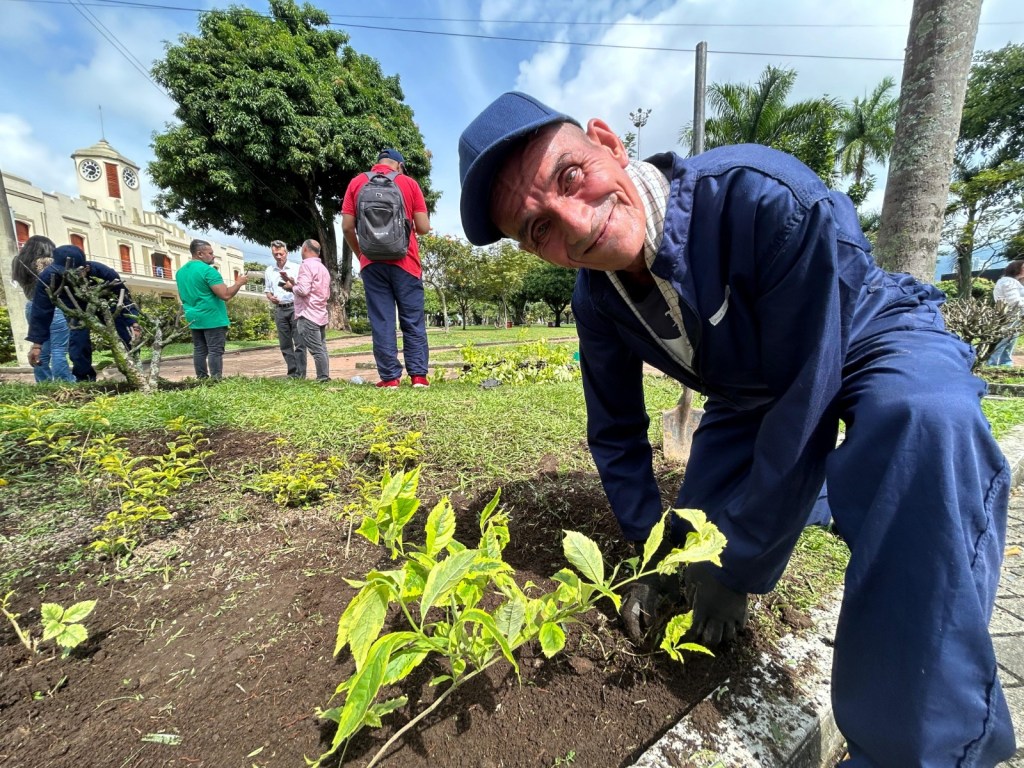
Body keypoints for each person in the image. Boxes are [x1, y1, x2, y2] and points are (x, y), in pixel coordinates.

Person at [458, 92, 1014, 767]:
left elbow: (805, 403)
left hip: (865, 330)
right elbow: (616, 432)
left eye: (571, 176)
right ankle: (837, 500)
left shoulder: (762, 197)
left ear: (608, 141)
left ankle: (921, 749)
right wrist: (655, 551)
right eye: (538, 227)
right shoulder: (597, 298)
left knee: (924, 425)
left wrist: (741, 563)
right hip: (747, 393)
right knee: (697, 533)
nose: (573, 224)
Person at [341, 148, 432, 388]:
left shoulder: (357, 183)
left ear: (377, 163)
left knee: (382, 320)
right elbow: (422, 227)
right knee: (412, 320)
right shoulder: (409, 183)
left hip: (372, 263)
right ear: (399, 166)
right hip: (406, 262)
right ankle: (419, 377)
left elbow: (348, 227)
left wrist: (361, 254)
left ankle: (390, 378)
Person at [27, 244, 141, 381]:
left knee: (126, 337)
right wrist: (37, 345)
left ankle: (135, 374)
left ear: (86, 268)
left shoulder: (103, 272)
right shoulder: (48, 277)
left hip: (105, 304)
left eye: (76, 273)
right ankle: (85, 379)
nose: (70, 276)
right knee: (78, 345)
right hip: (75, 309)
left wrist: (134, 323)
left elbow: (124, 298)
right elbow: (41, 311)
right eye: (65, 273)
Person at [175, 239, 247, 380]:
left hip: (193, 317)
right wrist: (238, 283)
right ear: (200, 254)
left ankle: (201, 378)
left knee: (199, 349)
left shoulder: (180, 272)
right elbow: (225, 294)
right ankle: (215, 379)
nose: (213, 256)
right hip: (212, 317)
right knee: (215, 350)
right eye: (210, 253)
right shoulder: (208, 271)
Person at [11, 236, 74, 383]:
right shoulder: (47, 262)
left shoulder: (17, 262)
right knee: (59, 348)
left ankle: (43, 382)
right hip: (52, 308)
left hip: (31, 306)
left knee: (41, 349)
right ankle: (64, 381)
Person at [280, 239, 330, 382]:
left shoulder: (306, 266)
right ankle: (324, 375)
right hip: (320, 312)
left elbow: (303, 290)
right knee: (321, 347)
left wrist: (290, 287)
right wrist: (295, 283)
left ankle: (323, 378)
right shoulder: (323, 269)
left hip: (308, 313)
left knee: (316, 349)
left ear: (306, 249)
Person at [263, 239, 304, 378]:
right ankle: (292, 373)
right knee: (285, 344)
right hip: (280, 308)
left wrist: (291, 285)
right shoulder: (269, 270)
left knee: (299, 343)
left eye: (281, 253)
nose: (279, 257)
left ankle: (301, 373)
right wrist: (270, 297)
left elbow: (302, 288)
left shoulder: (296, 268)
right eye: (276, 254)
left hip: (295, 307)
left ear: (286, 252)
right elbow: (267, 290)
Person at [987, 259, 1024, 366]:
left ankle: (1005, 361)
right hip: (1009, 314)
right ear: (1016, 269)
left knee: (1011, 339)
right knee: (1004, 339)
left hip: (1015, 314)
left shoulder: (1016, 282)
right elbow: (1014, 301)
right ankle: (992, 362)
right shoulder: (1008, 281)